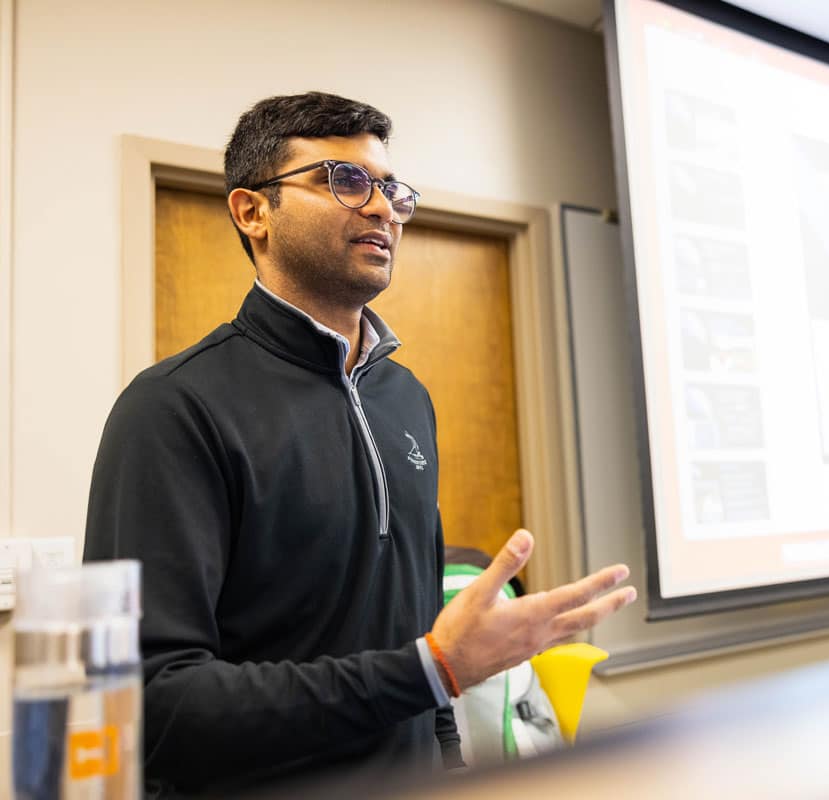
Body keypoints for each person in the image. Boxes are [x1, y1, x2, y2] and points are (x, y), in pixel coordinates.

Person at [83, 91, 636, 797]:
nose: (382, 209)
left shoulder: (406, 398)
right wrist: (429, 668)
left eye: (391, 189)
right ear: (252, 211)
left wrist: (449, 759)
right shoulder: (171, 409)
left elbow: (419, 630)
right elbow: (150, 706)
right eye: (343, 180)